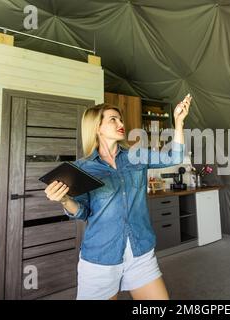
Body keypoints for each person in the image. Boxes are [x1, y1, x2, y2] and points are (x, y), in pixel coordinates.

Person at [44, 94, 192, 300]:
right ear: (97, 127)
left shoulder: (136, 156)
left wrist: (178, 121)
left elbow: (174, 157)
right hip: (101, 258)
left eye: (120, 119)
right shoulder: (82, 168)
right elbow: (83, 212)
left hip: (140, 252)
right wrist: (64, 200)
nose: (121, 123)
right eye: (113, 119)